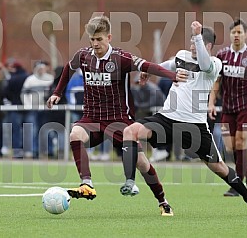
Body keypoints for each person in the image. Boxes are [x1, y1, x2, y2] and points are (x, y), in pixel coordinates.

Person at [120, 21, 247, 216]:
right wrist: (149, 71)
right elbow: (167, 64)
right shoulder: (182, 55)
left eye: (196, 41)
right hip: (166, 118)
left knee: (220, 168)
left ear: (207, 46)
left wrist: (198, 36)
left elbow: (205, 65)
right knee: (129, 131)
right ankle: (130, 182)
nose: (192, 45)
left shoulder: (215, 63)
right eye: (191, 41)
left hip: (194, 127)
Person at [46, 15, 184, 216]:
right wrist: (57, 92)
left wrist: (172, 76)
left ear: (108, 37)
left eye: (99, 39)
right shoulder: (84, 56)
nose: (95, 44)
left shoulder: (121, 58)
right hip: (92, 118)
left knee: (142, 163)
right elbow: (68, 68)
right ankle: (87, 184)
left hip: (120, 120)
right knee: (75, 134)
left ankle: (163, 201)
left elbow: (147, 66)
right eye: (92, 39)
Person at [208, 18, 247, 197]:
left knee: (240, 142)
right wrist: (211, 103)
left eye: (239, 32)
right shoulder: (222, 56)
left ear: (245, 35)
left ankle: (239, 183)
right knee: (230, 147)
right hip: (228, 107)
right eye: (233, 32)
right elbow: (216, 82)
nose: (236, 35)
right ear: (230, 34)